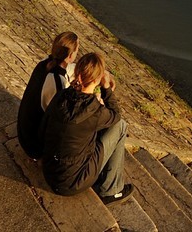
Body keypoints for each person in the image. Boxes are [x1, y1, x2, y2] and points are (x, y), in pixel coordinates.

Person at [39, 51, 134, 204]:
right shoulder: (95, 111)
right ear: (97, 79)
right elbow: (116, 115)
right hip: (73, 183)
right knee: (120, 126)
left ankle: (106, 180)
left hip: (50, 171)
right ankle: (111, 190)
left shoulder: (61, 96)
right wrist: (107, 88)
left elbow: (44, 126)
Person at [16, 31, 78, 160]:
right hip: (34, 145)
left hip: (24, 131)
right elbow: (60, 118)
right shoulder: (57, 81)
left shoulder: (46, 62)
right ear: (71, 55)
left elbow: (70, 68)